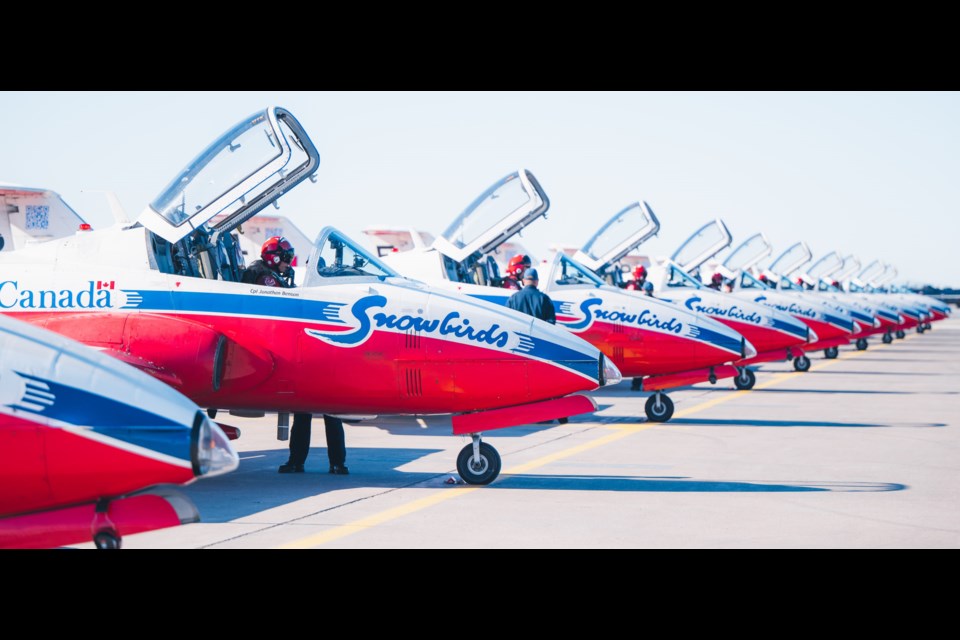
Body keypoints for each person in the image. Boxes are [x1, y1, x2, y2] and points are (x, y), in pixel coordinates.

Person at [241, 237, 349, 475]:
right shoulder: (265, 279)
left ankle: (301, 462)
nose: (289, 263)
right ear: (275, 257)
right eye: (287, 257)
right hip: (310, 355)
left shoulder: (275, 278)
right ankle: (334, 463)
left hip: (307, 356)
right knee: (322, 414)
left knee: (308, 414)